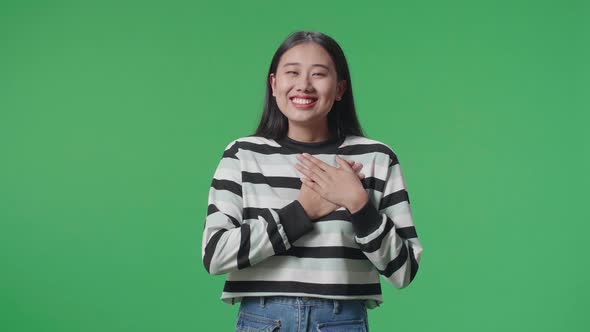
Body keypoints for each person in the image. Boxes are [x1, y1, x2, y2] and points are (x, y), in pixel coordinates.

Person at [202, 30, 423, 332]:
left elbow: (404, 270)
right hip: (263, 319)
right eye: (292, 72)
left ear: (340, 88)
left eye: (319, 74)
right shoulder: (243, 155)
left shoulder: (376, 158)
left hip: (342, 320)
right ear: (274, 84)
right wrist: (302, 211)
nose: (304, 85)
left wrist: (359, 205)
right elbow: (215, 255)